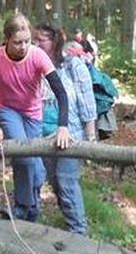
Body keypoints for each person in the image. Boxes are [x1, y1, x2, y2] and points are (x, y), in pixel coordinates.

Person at [0, 14, 74, 221]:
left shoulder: (38, 56)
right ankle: (22, 206)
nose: (23, 46)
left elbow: (61, 93)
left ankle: (32, 209)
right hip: (6, 109)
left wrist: (63, 126)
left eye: (27, 41)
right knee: (23, 155)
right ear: (6, 39)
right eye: (17, 42)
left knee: (36, 166)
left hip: (32, 114)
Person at [36, 23, 97, 235]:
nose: (35, 44)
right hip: (43, 136)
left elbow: (87, 101)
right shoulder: (35, 65)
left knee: (66, 180)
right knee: (54, 182)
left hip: (71, 134)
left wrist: (90, 137)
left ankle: (79, 232)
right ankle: (70, 222)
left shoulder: (73, 65)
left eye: (41, 40)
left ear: (54, 42)